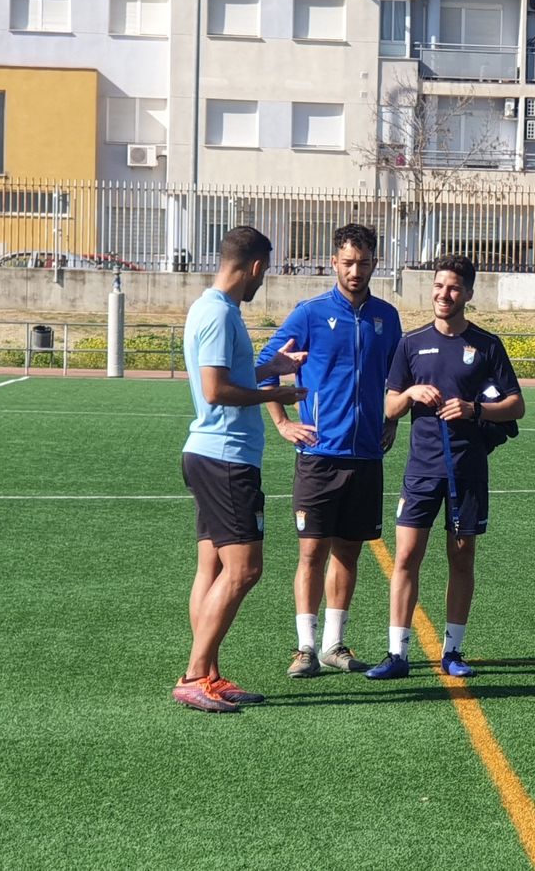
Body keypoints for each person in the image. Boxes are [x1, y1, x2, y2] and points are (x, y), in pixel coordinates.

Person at [257, 224, 403, 679]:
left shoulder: (388, 317)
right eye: (347, 262)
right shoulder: (310, 313)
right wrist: (283, 423)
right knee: (311, 552)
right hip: (320, 454)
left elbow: (398, 376)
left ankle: (333, 645)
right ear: (334, 263)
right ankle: (304, 648)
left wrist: (392, 420)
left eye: (362, 262)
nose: (355, 271)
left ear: (375, 262)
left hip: (366, 456)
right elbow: (265, 366)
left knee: (349, 553)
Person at [370, 254, 525, 680]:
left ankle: (453, 651)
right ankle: (397, 653)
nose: (444, 294)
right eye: (439, 286)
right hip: (421, 469)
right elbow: (389, 405)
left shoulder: (488, 345)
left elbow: (516, 405)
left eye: (454, 288)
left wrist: (475, 409)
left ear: (468, 294)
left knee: (461, 557)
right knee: (406, 557)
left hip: (467, 469)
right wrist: (411, 394)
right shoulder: (411, 343)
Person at [174, 226, 308, 713]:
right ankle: (193, 674)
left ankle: (206, 673)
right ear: (253, 267)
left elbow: (232, 375)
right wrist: (277, 395)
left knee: (211, 567)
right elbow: (215, 390)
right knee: (245, 568)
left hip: (216, 456)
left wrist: (273, 368)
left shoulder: (216, 309)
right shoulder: (217, 313)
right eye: (265, 272)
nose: (263, 281)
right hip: (225, 458)